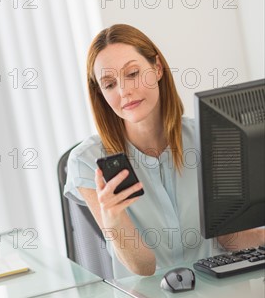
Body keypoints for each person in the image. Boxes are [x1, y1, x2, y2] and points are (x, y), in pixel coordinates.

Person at [64, 24, 264, 278]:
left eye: (133, 73)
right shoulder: (88, 162)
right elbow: (143, 267)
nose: (124, 90)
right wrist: (113, 219)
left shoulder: (210, 139)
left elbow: (230, 240)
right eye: (110, 84)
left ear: (157, 68)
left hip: (217, 293)